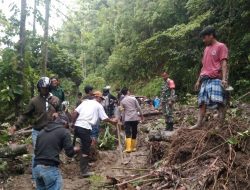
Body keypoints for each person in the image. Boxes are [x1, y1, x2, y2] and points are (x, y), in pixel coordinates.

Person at [9, 77, 60, 182]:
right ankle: (35, 177)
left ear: (49, 88)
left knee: (52, 152)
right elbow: (25, 115)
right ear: (39, 88)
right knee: (37, 153)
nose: (44, 90)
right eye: (42, 88)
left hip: (51, 131)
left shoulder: (55, 99)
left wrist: (57, 112)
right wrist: (15, 126)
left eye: (46, 88)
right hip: (38, 131)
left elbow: (61, 111)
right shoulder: (34, 101)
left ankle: (50, 174)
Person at [71, 91, 117, 177]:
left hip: (78, 126)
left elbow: (75, 112)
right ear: (97, 98)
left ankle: (81, 162)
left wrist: (73, 123)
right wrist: (113, 122)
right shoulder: (98, 105)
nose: (101, 101)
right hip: (85, 127)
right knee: (86, 148)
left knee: (83, 144)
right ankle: (84, 171)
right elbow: (104, 118)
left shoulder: (85, 103)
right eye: (101, 99)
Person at [190, 26, 228, 129]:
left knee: (219, 102)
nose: (203, 40)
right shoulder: (206, 49)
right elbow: (204, 66)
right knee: (202, 103)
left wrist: (224, 79)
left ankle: (220, 125)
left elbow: (223, 63)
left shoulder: (221, 46)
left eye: (204, 37)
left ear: (211, 35)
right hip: (205, 79)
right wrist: (198, 80)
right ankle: (199, 123)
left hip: (216, 78)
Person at [33, 113, 80, 190]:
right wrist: (77, 149)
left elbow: (36, 151)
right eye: (67, 126)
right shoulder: (64, 132)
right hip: (49, 168)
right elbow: (70, 153)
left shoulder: (41, 132)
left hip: (37, 169)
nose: (67, 128)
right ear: (65, 123)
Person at [120, 87, 144, 153]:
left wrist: (122, 121)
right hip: (135, 118)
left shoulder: (122, 101)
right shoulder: (133, 99)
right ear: (127, 92)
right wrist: (141, 116)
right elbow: (138, 108)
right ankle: (133, 147)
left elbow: (122, 112)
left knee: (128, 132)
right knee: (134, 132)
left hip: (127, 119)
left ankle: (128, 148)